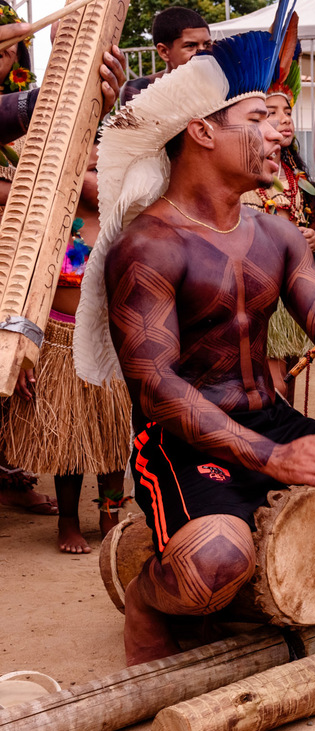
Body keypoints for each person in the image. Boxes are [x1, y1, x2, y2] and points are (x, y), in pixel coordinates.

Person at [75, 16, 315, 666]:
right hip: (186, 443)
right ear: (201, 130)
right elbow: (158, 389)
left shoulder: (273, 234)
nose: (281, 130)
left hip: (274, 420)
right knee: (214, 564)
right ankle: (145, 592)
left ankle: (275, 542)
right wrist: (271, 461)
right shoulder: (148, 246)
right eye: (259, 117)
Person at [0, 5, 129, 554]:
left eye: (9, 49)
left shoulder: (122, 218)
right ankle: (67, 523)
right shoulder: (51, 217)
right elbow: (27, 280)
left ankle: (112, 517)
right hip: (58, 334)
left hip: (106, 341)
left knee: (110, 441)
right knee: (69, 443)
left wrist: (103, 99)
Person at [242, 47, 315, 402]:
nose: (285, 119)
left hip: (293, 285)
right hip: (261, 287)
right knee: (271, 379)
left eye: (288, 111)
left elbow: (311, 225)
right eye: (272, 113)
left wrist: (313, 237)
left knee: (290, 374)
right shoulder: (246, 175)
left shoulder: (294, 174)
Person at [120, 7, 211, 105]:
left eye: (207, 44)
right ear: (164, 52)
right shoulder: (141, 91)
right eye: (190, 46)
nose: (203, 52)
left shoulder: (221, 83)